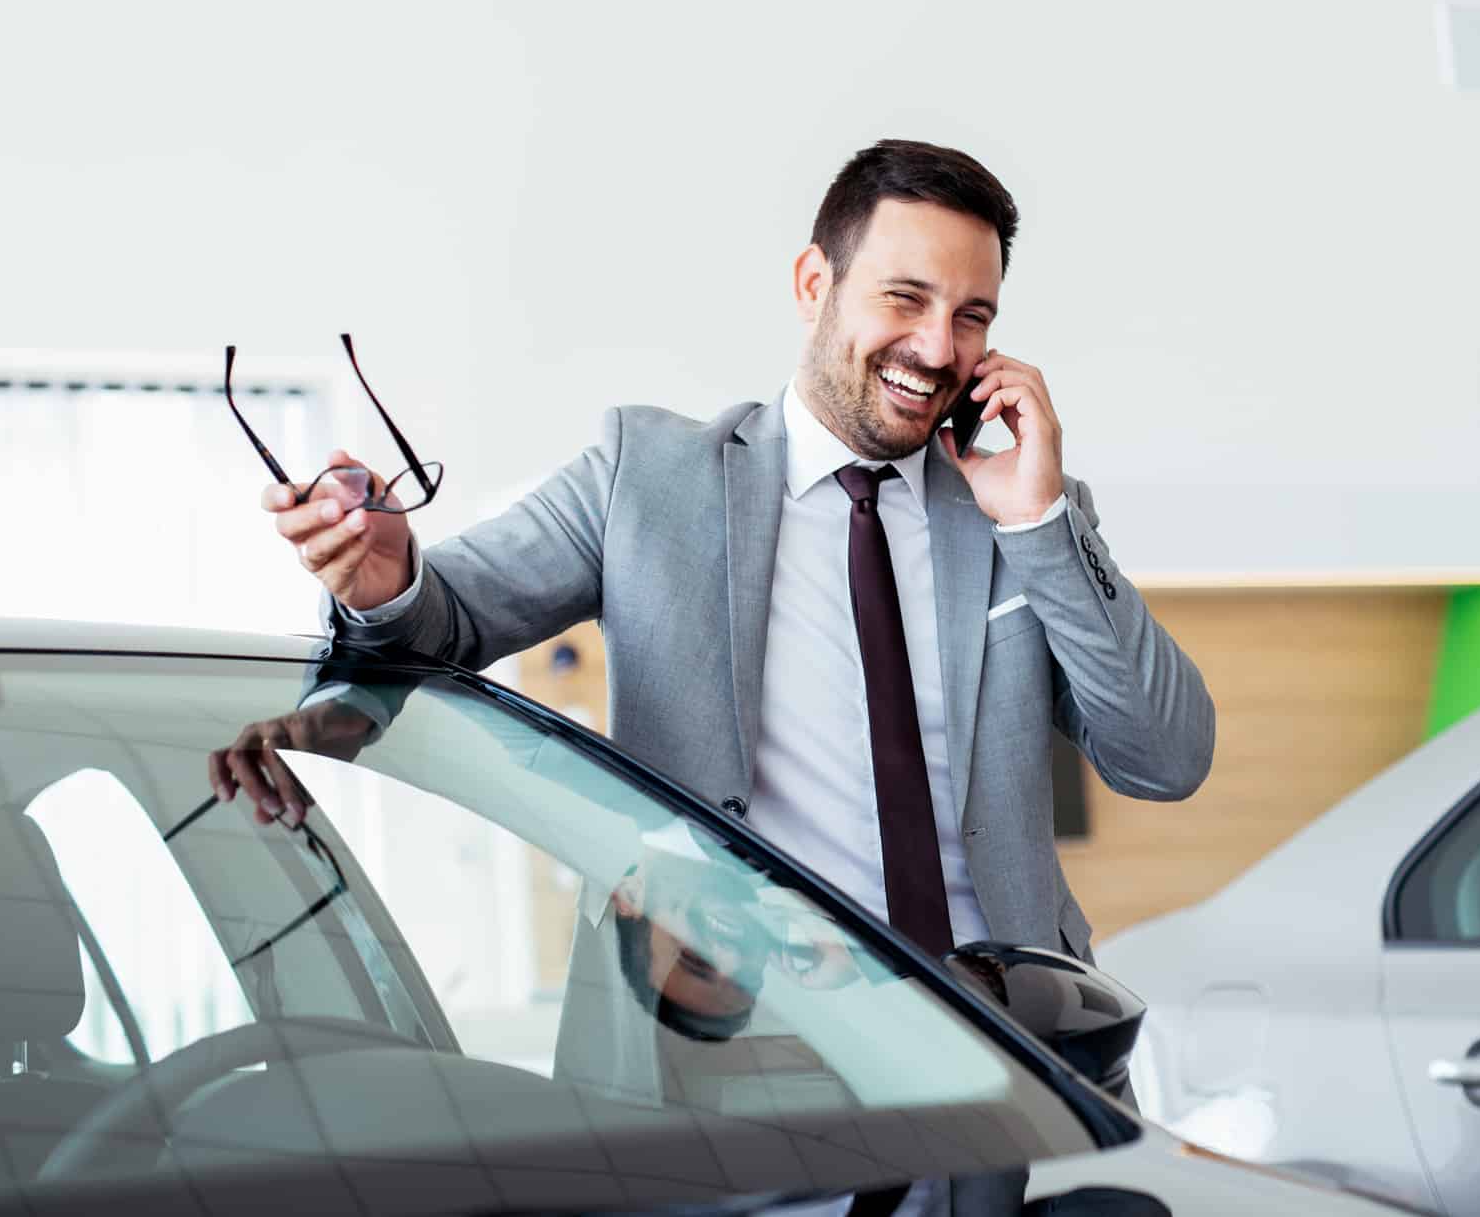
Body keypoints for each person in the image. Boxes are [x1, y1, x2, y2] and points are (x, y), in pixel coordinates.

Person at [237, 138, 1215, 1212]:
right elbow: (441, 620)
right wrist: (385, 581)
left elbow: (1164, 758)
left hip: (991, 1069)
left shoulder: (1013, 509)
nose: (937, 346)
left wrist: (1035, 519)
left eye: (972, 315)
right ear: (813, 283)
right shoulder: (645, 477)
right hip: (720, 1070)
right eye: (904, 297)